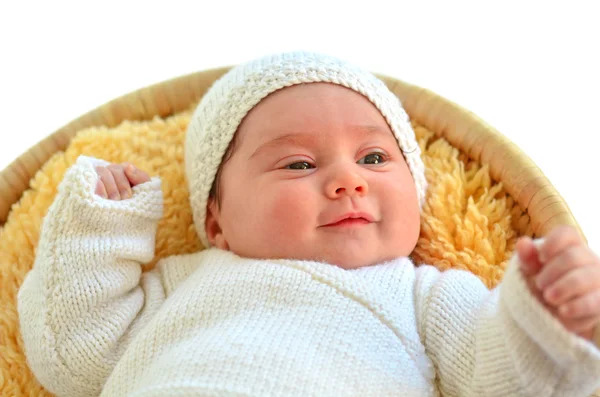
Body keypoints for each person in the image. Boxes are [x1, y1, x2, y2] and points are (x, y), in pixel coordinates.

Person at [18, 51, 600, 397]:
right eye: (298, 164)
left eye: (374, 158)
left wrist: (547, 318)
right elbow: (69, 356)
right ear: (216, 221)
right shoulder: (179, 284)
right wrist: (99, 229)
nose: (350, 181)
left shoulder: (423, 295)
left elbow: (498, 374)